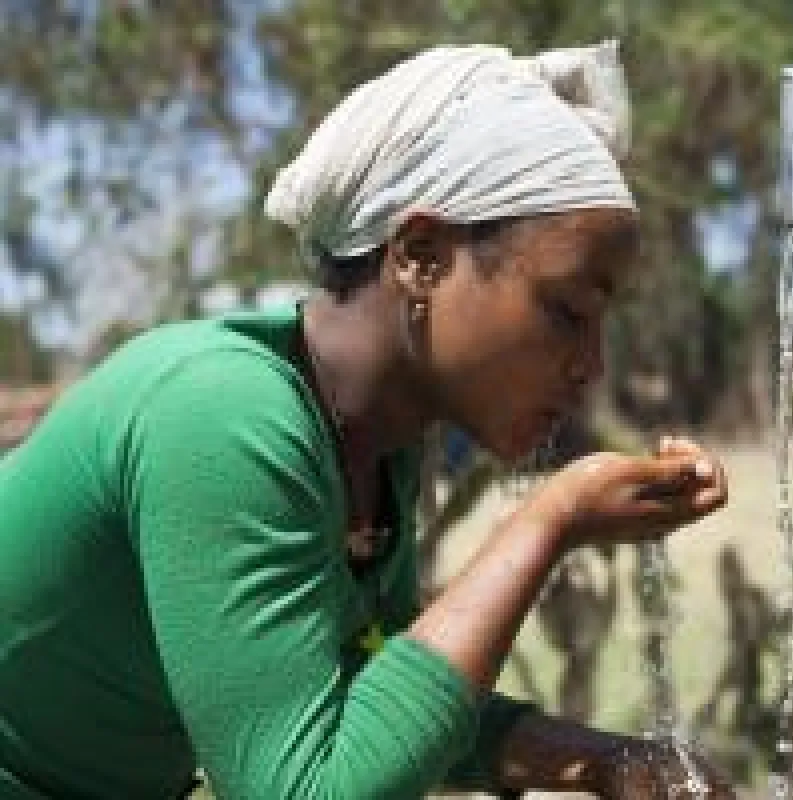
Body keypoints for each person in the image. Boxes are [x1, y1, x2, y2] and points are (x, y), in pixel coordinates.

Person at [0, 41, 733, 798]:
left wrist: (600, 759)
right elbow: (303, 787)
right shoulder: (224, 413)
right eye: (567, 312)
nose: (591, 365)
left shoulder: (371, 447)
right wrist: (549, 523)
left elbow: (369, 687)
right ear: (419, 255)